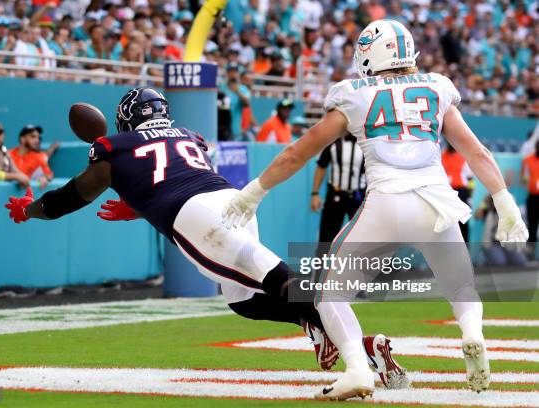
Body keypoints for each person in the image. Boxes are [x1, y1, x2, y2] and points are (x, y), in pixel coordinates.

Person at [5, 87, 407, 387]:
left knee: (279, 279)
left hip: (197, 217)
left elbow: (75, 195)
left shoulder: (115, 146)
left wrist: (31, 209)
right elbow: (173, 175)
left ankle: (363, 348)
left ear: (128, 118)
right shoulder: (188, 136)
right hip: (231, 202)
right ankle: (317, 326)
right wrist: (139, 202)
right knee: (243, 298)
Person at [222, 19, 528, 400]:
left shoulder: (355, 93)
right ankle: (472, 335)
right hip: (437, 204)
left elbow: (298, 152)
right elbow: (477, 152)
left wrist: (253, 192)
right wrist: (504, 200)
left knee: (329, 293)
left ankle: (356, 369)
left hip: (386, 202)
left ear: (369, 53)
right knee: (462, 285)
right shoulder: (435, 87)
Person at [311, 134, 366, 244]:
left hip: (359, 197)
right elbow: (322, 165)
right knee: (326, 240)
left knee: (364, 239)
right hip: (335, 195)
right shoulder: (333, 140)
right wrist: (315, 193)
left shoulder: (366, 142)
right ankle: (323, 261)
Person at [442, 143, 474, 241]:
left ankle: (465, 248)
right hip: (445, 193)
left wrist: (469, 198)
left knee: (462, 222)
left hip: (461, 193)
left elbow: (470, 180)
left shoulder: (463, 157)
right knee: (446, 223)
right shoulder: (441, 156)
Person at [220, 64, 251, 141]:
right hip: (220, 130)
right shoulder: (221, 87)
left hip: (235, 131)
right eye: (231, 71)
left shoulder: (242, 89)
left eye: (235, 72)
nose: (233, 74)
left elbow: (247, 104)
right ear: (227, 73)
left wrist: (237, 91)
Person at [521, 139, 539, 244]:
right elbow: (524, 178)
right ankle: (531, 250)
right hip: (533, 197)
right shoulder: (528, 160)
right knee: (532, 224)